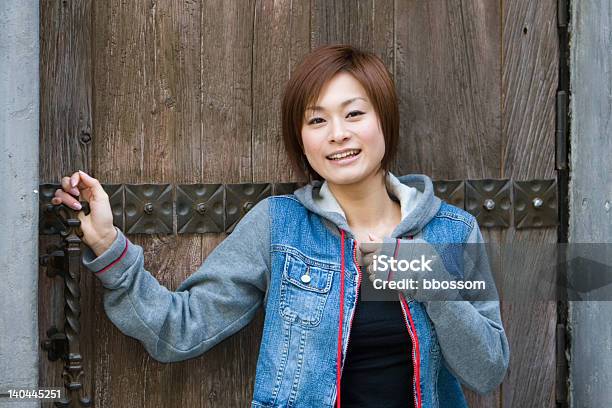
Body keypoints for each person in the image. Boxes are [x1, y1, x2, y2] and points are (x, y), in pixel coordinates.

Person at [51, 44, 509, 408]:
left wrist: (432, 283)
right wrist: (111, 248)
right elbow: (180, 329)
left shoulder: (452, 231)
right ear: (301, 141)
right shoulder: (279, 226)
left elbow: (487, 371)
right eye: (317, 120)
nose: (337, 134)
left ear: (383, 122)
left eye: (354, 114)